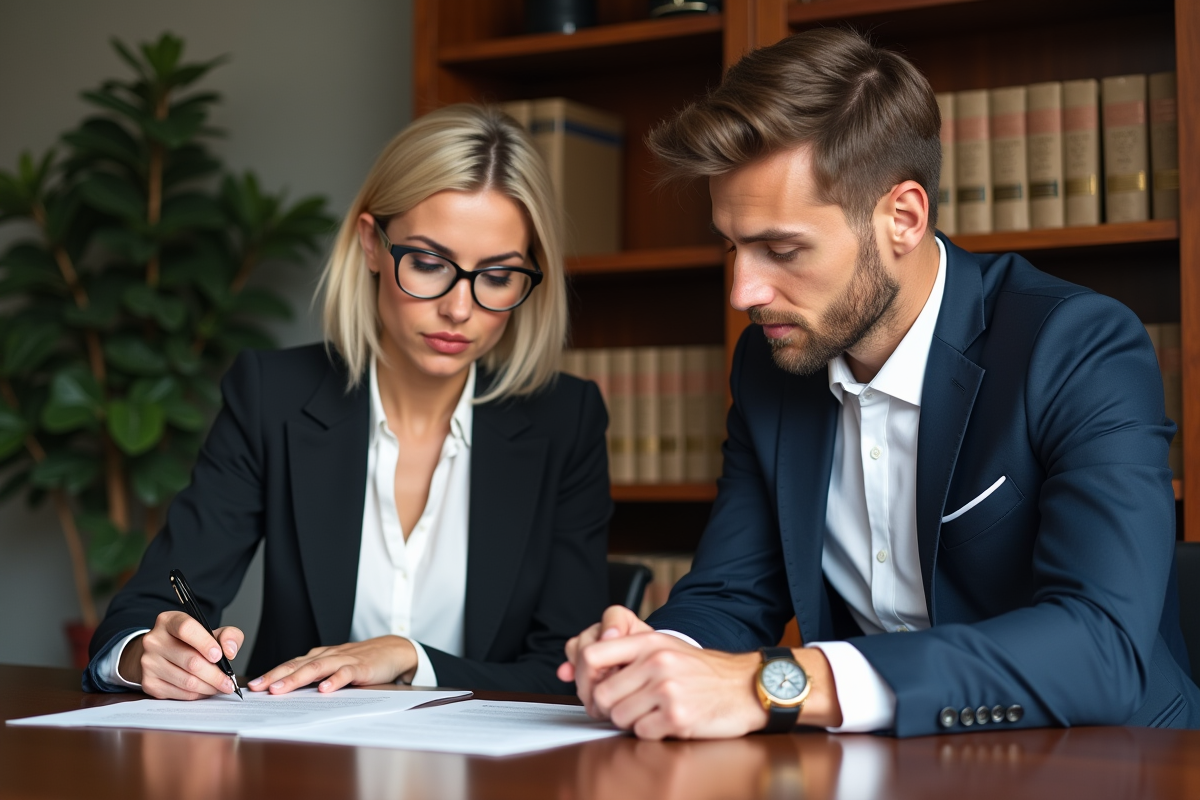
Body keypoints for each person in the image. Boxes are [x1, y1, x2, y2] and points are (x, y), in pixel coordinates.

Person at [560, 28, 1200, 738]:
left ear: (902, 217)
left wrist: (775, 684)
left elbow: (1101, 647)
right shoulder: (771, 367)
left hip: (1108, 764)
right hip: (881, 766)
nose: (744, 289)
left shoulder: (1077, 346)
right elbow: (732, 593)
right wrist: (659, 657)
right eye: (733, 246)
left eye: (781, 249)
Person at [84, 104, 612, 699]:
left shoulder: (567, 420)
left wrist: (409, 657)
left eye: (497, 276)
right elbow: (158, 597)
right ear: (370, 244)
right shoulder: (273, 396)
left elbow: (568, 669)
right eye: (430, 263)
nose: (459, 309)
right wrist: (142, 654)